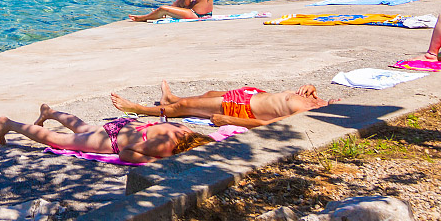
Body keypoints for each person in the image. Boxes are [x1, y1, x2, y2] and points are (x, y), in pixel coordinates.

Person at [0, 103, 212, 163]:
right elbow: (126, 154)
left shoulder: (186, 130)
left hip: (124, 126)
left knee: (82, 128)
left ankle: (49, 112)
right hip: (114, 140)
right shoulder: (167, 148)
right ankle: (10, 124)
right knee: (58, 140)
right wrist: (154, 163)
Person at [110, 81, 339, 127]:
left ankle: (138, 109)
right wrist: (311, 87)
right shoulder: (314, 98)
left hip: (243, 107)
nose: (340, 100)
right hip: (252, 94)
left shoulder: (306, 113)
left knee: (187, 106)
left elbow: (267, 124)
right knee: (209, 94)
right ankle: (170, 99)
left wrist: (229, 120)